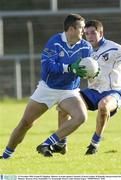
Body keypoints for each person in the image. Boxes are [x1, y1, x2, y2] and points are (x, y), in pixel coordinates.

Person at [50, 19, 121, 155]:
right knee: (63, 105)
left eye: (93, 33)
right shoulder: (84, 50)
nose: (89, 36)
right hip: (93, 91)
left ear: (101, 33)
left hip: (115, 91)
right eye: (86, 33)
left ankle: (94, 143)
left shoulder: (116, 48)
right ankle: (61, 143)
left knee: (103, 106)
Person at [0, 14, 93, 159]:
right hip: (48, 88)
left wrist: (91, 73)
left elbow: (86, 69)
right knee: (26, 123)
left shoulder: (86, 47)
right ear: (71, 29)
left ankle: (48, 143)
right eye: (81, 28)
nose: (84, 32)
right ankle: (6, 155)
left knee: (81, 117)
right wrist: (70, 68)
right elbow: (47, 67)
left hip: (69, 91)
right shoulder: (55, 42)